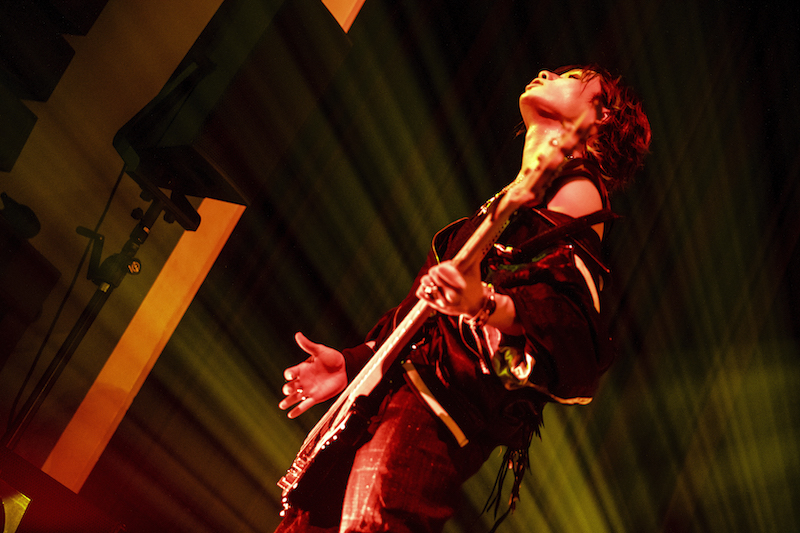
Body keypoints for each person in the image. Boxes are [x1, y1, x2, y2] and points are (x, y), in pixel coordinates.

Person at [275, 65, 651, 533]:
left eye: (571, 76)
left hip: (433, 408)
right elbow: (427, 318)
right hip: (387, 396)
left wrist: (483, 303)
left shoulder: (578, 186)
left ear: (602, 115)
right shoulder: (516, 196)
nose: (544, 72)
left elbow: (567, 325)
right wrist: (354, 362)